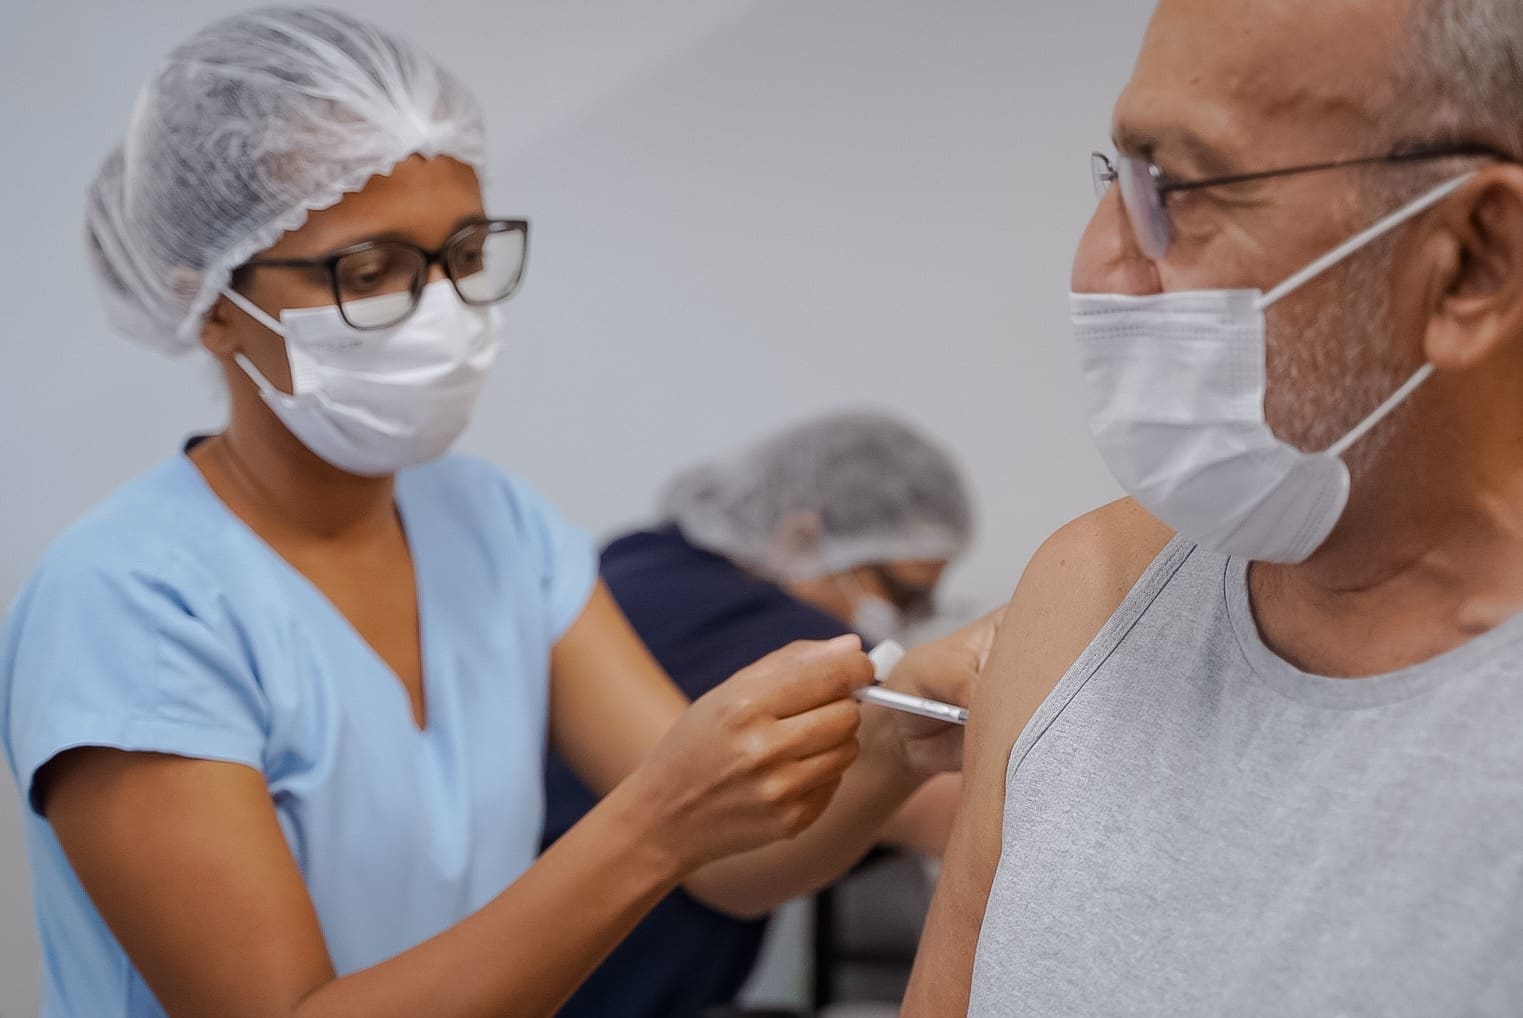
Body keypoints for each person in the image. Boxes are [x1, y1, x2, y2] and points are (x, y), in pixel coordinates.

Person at [0, 10, 990, 1017]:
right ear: (212, 304)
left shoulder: (497, 528)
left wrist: (889, 747)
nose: (444, 312)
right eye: (370, 272)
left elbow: (730, 868)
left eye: (465, 253)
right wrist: (655, 821)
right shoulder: (128, 603)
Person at [904, 0, 1523, 1014]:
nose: (1099, 266)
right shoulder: (1088, 594)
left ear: (1470, 261)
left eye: (1177, 188)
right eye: (1120, 175)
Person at [542, 410, 974, 1018]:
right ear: (802, 538)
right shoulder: (799, 645)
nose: (906, 617)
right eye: (904, 593)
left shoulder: (634, 562)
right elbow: (949, 806)